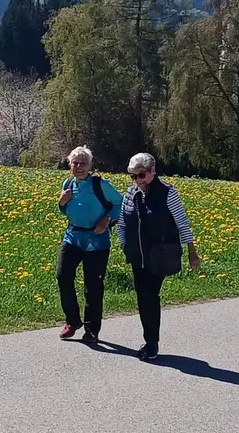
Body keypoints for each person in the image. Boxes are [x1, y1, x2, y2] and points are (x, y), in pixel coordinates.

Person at [116, 152, 199, 361]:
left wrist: (192, 252)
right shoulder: (130, 194)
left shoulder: (168, 194)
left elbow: (183, 224)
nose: (137, 181)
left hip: (160, 254)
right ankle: (149, 340)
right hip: (137, 255)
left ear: (153, 172)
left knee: (149, 296)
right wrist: (125, 246)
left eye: (141, 175)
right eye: (133, 176)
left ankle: (152, 343)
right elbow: (123, 223)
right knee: (143, 297)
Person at [56, 146, 121, 342]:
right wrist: (60, 202)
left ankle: (92, 329)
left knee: (93, 285)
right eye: (75, 163)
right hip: (73, 237)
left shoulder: (100, 185)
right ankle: (73, 321)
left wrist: (106, 220)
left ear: (90, 165)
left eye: (83, 163)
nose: (79, 166)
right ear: (69, 165)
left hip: (97, 242)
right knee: (63, 276)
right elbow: (65, 210)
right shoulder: (67, 183)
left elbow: (120, 203)